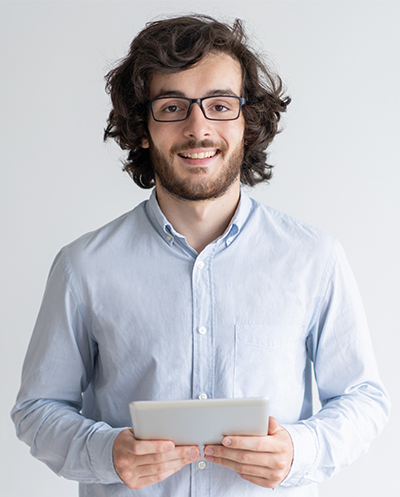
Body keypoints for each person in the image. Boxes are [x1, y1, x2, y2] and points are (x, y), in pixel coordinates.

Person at [12, 14, 389, 497]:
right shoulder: (82, 266)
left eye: (219, 104)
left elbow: (362, 397)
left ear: (247, 124)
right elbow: (38, 408)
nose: (198, 127)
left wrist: (301, 449)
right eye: (172, 107)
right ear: (143, 128)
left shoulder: (314, 257)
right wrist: (107, 452)